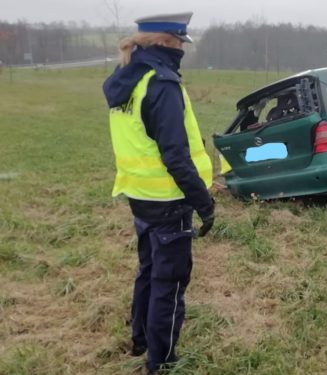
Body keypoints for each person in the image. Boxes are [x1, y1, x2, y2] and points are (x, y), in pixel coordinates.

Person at [102, 11, 215, 374]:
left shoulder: (127, 79)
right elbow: (176, 156)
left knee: (149, 272)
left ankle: (140, 340)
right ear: (166, 42)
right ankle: (162, 360)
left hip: (139, 196)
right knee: (169, 283)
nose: (182, 50)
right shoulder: (162, 84)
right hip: (169, 201)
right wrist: (204, 202)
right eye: (180, 43)